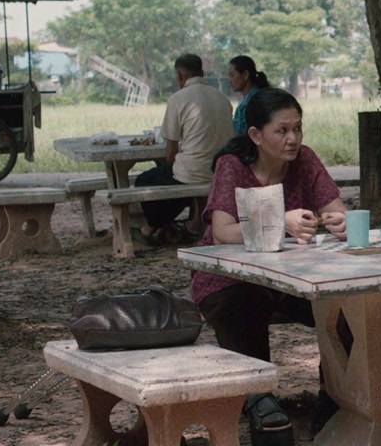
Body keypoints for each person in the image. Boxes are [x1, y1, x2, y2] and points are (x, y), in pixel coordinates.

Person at [190, 88, 347, 438]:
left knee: (345, 304)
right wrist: (280, 223)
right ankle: (261, 404)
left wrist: (340, 222)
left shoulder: (305, 160)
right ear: (256, 135)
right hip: (228, 278)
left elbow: (337, 210)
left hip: (294, 276)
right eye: (282, 130)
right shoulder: (232, 166)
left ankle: (336, 396)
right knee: (242, 305)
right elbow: (222, 232)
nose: (293, 139)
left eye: (298, 128)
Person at [135, 53, 234, 245]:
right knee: (173, 178)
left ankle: (151, 227)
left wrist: (169, 165)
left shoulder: (177, 99)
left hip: (194, 171)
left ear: (180, 76)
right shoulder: (223, 98)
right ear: (202, 73)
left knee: (144, 180)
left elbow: (170, 150)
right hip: (221, 170)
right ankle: (175, 227)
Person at [228, 55, 270, 136]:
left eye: (232, 75)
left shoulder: (257, 101)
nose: (229, 81)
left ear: (245, 75)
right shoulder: (244, 101)